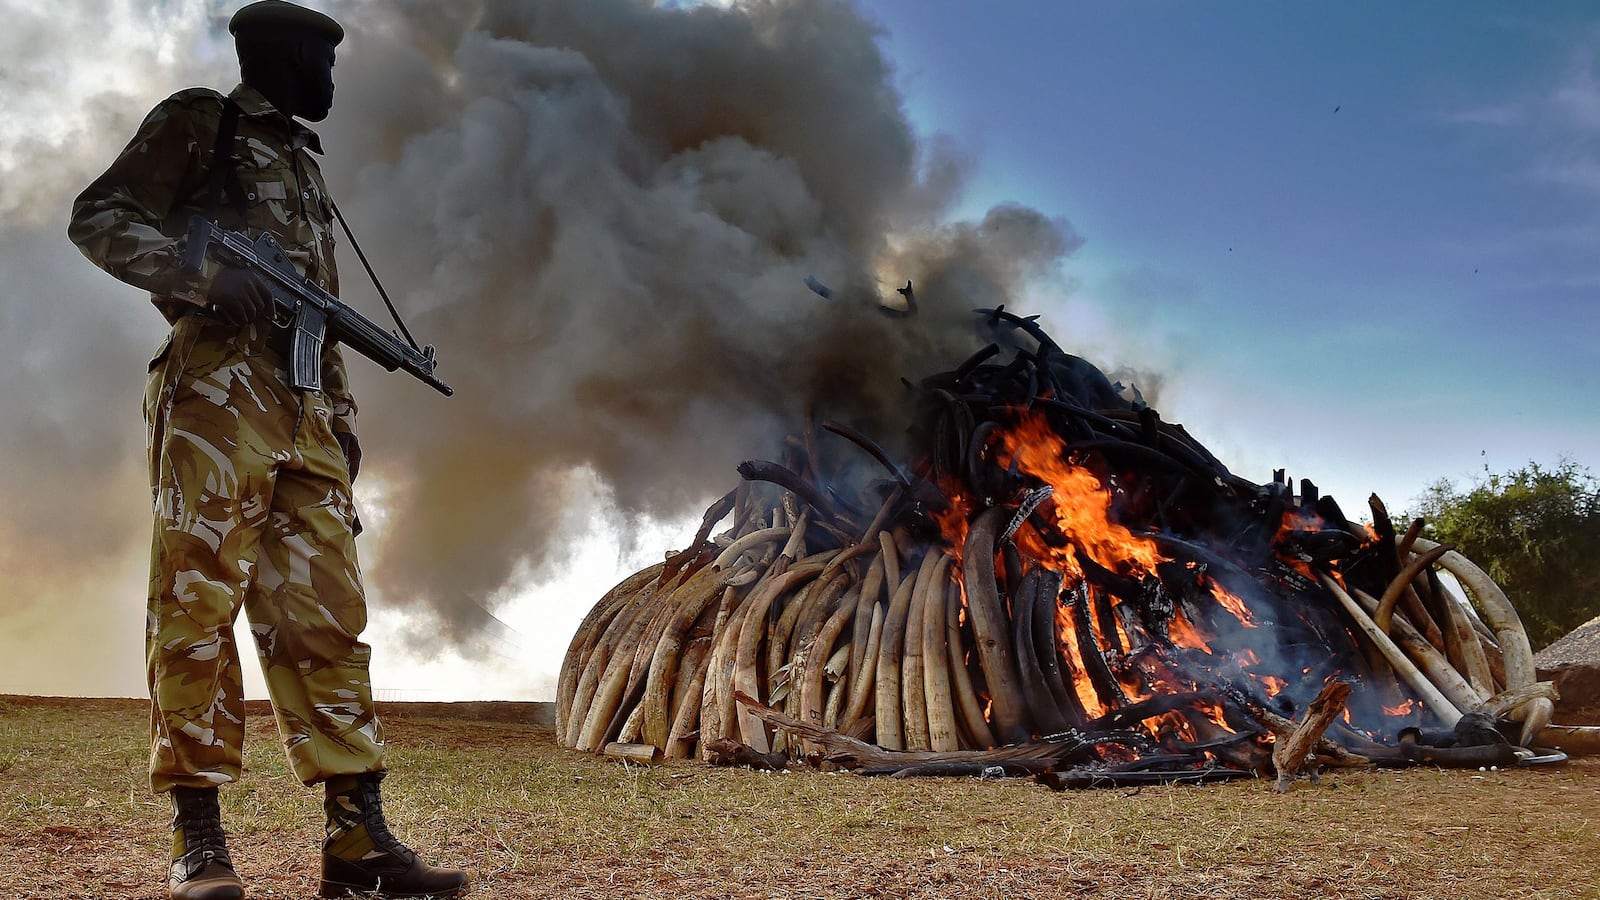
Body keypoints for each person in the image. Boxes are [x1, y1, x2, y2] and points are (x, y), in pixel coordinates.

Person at [67, 3, 467, 897]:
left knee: (328, 617)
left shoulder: (306, 165)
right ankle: (199, 841)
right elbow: (98, 217)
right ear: (283, 57)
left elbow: (318, 308)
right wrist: (203, 276)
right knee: (196, 604)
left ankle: (356, 842)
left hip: (304, 412)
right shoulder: (201, 122)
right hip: (215, 394)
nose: (332, 81)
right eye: (324, 62)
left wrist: (341, 415)